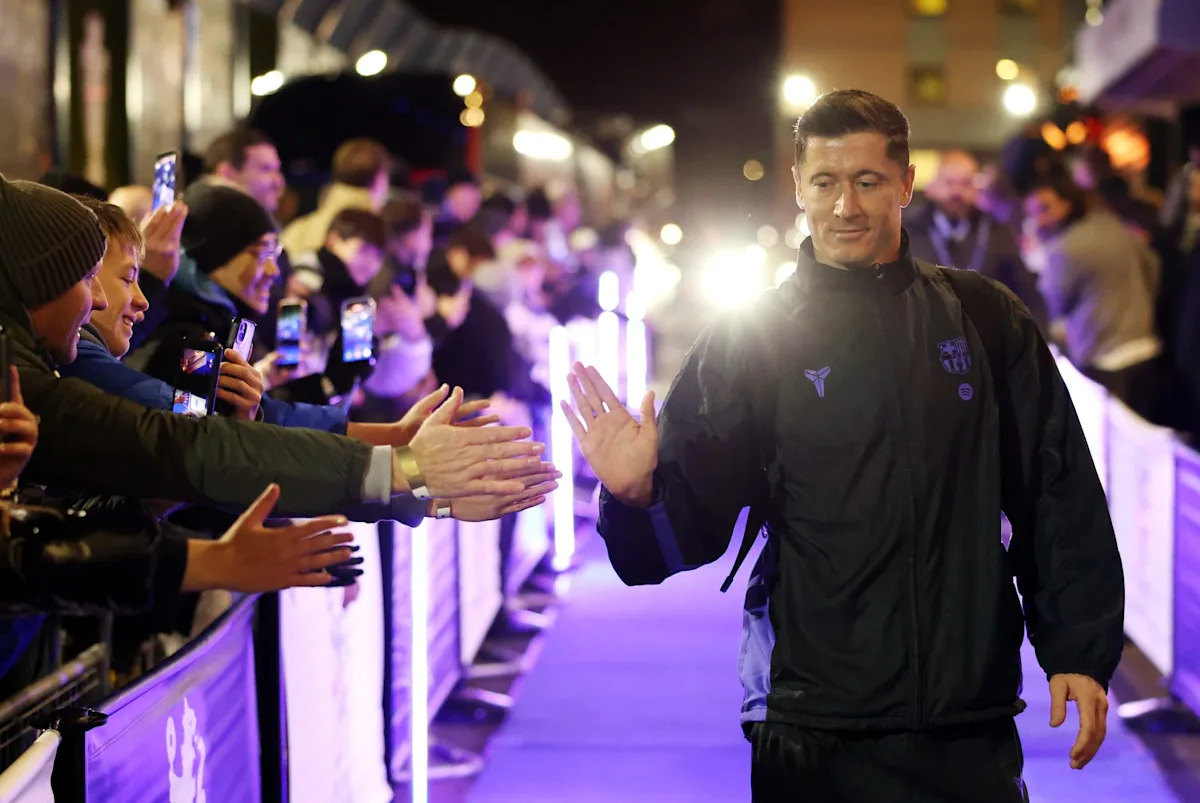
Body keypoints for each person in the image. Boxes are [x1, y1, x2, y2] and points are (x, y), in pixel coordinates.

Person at [562, 89, 1124, 801]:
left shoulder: (984, 317)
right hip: (810, 721)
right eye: (825, 182)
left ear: (905, 185)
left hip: (964, 717)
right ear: (799, 186)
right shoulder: (752, 336)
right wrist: (636, 495)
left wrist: (1077, 647)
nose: (844, 206)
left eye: (867, 181)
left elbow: (1056, 490)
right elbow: (687, 531)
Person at [0, 174, 548, 519]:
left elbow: (201, 446)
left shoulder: (195, 329)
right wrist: (400, 472)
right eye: (111, 277)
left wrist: (401, 459)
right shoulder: (178, 341)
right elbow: (185, 441)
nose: (271, 270)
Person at [906, 150, 1047, 330]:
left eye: (966, 183)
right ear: (932, 187)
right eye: (949, 183)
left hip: (985, 336)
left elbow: (1026, 293)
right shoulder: (908, 231)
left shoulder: (998, 233)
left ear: (977, 189)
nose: (957, 192)